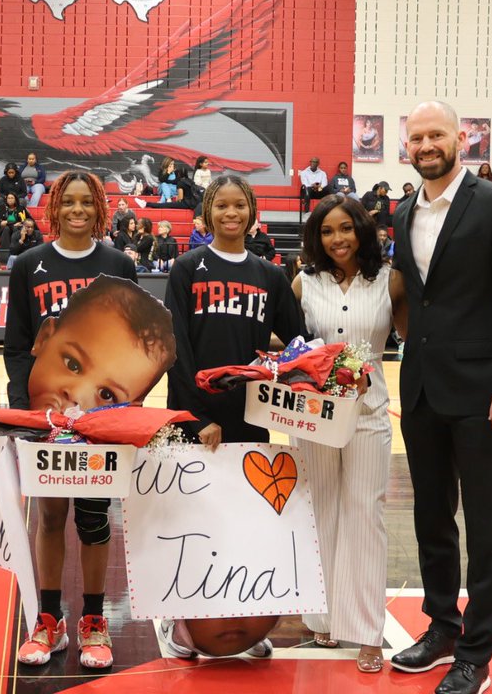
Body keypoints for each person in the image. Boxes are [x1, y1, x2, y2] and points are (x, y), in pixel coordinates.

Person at [391, 101, 492, 694]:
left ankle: (476, 653)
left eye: (436, 135)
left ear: (461, 139)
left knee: (486, 527)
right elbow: (416, 302)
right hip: (421, 389)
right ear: (407, 146)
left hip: (485, 394)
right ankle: (443, 628)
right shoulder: (403, 211)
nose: (426, 145)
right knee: (432, 518)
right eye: (416, 138)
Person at [161, 174, 305, 660]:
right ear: (207, 213)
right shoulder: (187, 268)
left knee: (245, 523)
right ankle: (182, 622)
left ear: (252, 212)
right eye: (221, 205)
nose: (230, 213)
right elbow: (175, 346)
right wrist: (195, 417)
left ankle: (244, 622)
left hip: (249, 415)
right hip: (194, 417)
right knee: (191, 523)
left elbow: (298, 342)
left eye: (238, 205)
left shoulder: (270, 275)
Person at [4, 171, 137, 670]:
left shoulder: (118, 265)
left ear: (99, 208)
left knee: (95, 517)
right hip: (48, 418)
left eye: (86, 202)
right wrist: (29, 410)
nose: (77, 210)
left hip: (99, 417)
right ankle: (48, 620)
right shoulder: (29, 265)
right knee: (50, 515)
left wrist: (120, 410)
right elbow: (17, 345)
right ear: (54, 207)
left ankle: (94, 620)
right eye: (68, 202)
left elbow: (130, 349)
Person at [293, 195, 407, 673]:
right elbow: (286, 342)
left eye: (345, 228)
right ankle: (321, 616)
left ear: (362, 230)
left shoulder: (390, 280)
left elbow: (413, 333)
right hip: (314, 415)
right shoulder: (303, 282)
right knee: (319, 510)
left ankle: (365, 630)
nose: (337, 239)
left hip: (369, 412)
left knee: (365, 516)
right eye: (326, 231)